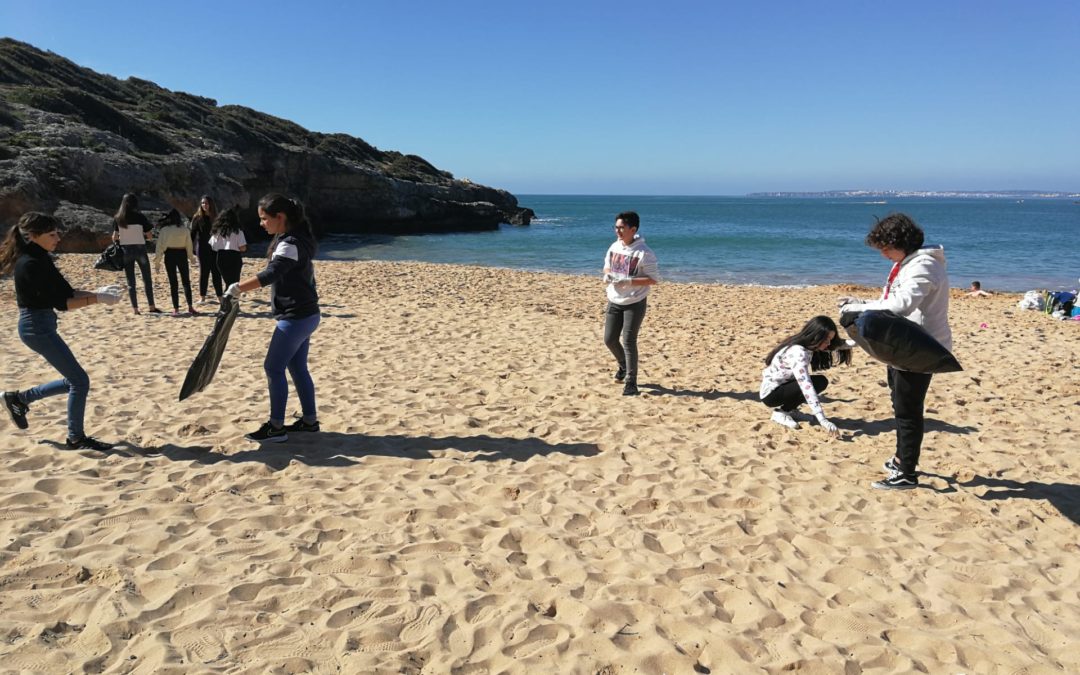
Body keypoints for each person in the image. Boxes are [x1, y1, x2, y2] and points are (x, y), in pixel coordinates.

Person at [839, 213, 951, 490]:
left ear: (899, 242)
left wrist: (860, 309)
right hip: (903, 344)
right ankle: (901, 460)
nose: (883, 254)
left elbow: (901, 306)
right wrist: (860, 302)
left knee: (908, 411)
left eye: (885, 248)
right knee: (900, 405)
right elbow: (890, 300)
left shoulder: (924, 266)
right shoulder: (909, 262)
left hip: (919, 349)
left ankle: (907, 474)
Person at [1, 212, 123, 450]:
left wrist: (95, 292)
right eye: (52, 234)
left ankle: (19, 399)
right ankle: (75, 437)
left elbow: (66, 292)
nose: (58, 238)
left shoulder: (41, 257)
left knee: (74, 381)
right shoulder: (31, 264)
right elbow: (63, 303)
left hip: (41, 325)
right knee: (80, 381)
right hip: (36, 328)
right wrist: (97, 299)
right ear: (34, 236)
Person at [224, 194, 320, 442]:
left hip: (296, 317)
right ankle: (309, 421)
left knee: (272, 367)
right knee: (297, 367)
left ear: (281, 217)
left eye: (264, 219)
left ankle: (276, 427)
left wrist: (237, 288)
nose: (261, 223)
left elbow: (271, 274)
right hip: (307, 314)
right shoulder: (297, 239)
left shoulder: (289, 243)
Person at [760, 316, 850, 436]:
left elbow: (839, 345)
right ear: (816, 336)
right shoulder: (799, 353)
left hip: (784, 386)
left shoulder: (809, 346)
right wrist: (822, 420)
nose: (828, 344)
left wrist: (865, 342)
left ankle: (789, 410)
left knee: (820, 381)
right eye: (826, 339)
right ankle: (781, 413)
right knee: (813, 384)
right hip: (771, 394)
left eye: (830, 339)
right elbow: (806, 386)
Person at [602, 211, 660, 396]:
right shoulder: (614, 246)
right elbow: (607, 265)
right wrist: (608, 274)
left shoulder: (645, 253)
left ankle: (631, 382)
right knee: (609, 339)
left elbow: (653, 279)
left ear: (632, 229)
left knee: (628, 340)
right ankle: (623, 365)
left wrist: (629, 281)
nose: (618, 231)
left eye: (621, 228)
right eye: (616, 227)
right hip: (614, 299)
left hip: (635, 301)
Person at [111, 193, 159, 314]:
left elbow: (114, 237)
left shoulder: (118, 218)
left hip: (126, 250)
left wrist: (124, 237)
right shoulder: (140, 217)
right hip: (140, 249)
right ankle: (151, 307)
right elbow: (149, 236)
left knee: (130, 280)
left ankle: (135, 309)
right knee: (147, 278)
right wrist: (140, 235)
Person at [153, 208, 198, 316]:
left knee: (173, 283)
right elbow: (189, 245)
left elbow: (160, 247)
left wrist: (157, 263)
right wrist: (191, 258)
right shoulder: (184, 229)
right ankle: (190, 306)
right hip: (182, 254)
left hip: (170, 255)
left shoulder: (164, 230)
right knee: (186, 281)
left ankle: (176, 309)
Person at [190, 195, 223, 305]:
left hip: (215, 248)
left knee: (216, 272)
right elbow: (192, 234)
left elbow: (222, 233)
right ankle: (202, 297)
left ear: (211, 204)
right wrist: (190, 248)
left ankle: (220, 297)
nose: (205, 205)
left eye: (207, 203)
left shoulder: (217, 217)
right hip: (202, 248)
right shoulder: (197, 218)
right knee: (204, 273)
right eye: (203, 203)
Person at [209, 206, 248, 287]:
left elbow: (213, 246)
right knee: (234, 283)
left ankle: (227, 298)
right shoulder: (238, 231)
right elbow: (242, 248)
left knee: (228, 282)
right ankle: (229, 299)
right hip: (234, 257)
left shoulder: (217, 232)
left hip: (221, 257)